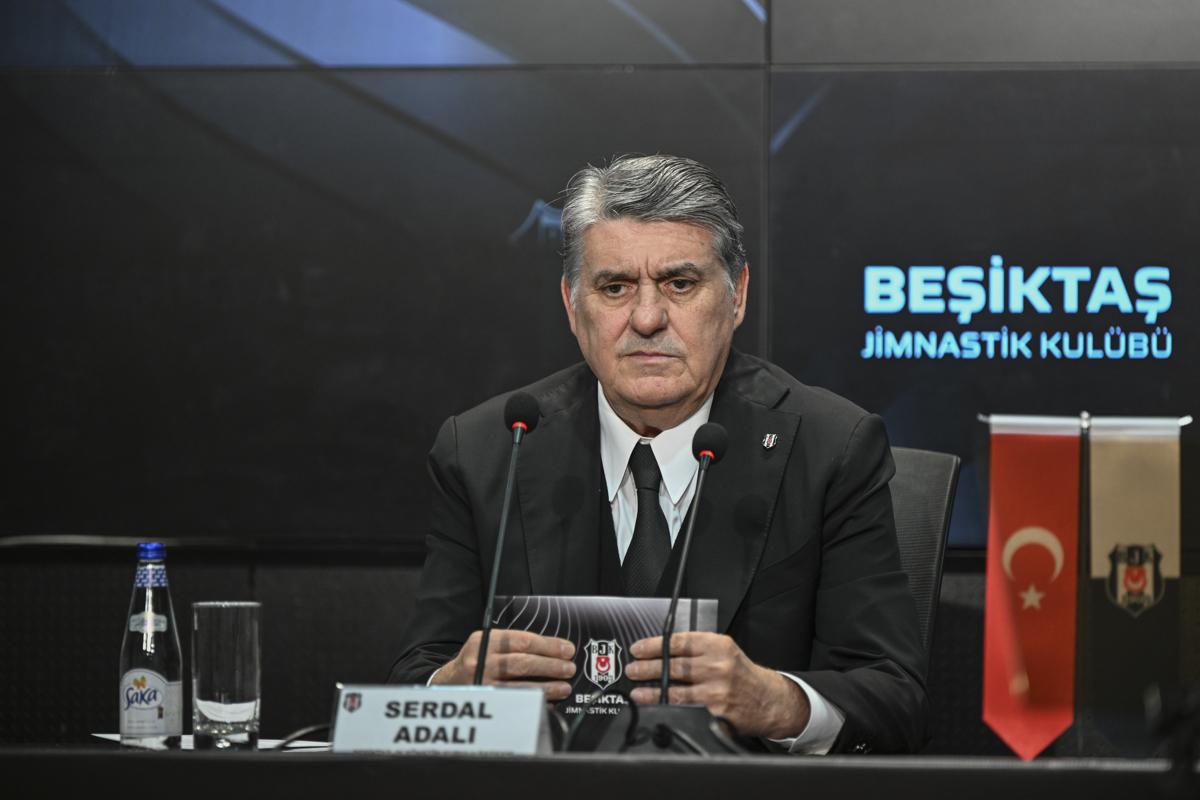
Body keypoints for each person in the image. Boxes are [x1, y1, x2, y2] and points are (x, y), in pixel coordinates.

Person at [389, 154, 927, 754]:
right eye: (614, 287)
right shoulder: (488, 449)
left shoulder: (830, 447)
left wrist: (778, 702)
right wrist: (454, 686)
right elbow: (414, 681)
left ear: (737, 296)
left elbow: (893, 696)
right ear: (572, 305)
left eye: (680, 283)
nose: (647, 318)